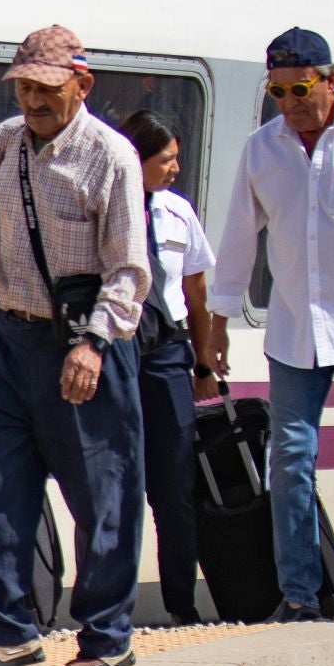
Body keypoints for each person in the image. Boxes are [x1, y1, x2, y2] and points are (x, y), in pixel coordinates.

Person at [0, 25, 149, 666]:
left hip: (84, 345)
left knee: (102, 495)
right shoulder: (7, 140)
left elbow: (128, 268)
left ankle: (106, 635)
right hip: (9, 339)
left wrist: (94, 343)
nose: (32, 100)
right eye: (24, 86)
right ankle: (6, 633)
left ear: (82, 85)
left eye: (46, 88)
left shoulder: (111, 156)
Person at [208, 26, 334, 623]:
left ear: (330, 81)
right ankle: (299, 596)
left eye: (301, 89)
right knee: (289, 460)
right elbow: (239, 235)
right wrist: (218, 320)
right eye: (277, 91)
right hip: (294, 331)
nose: (290, 103)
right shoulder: (263, 148)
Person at [119, 110, 221, 627]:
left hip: (166, 357)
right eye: (166, 159)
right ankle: (111, 608)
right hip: (116, 353)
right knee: (116, 487)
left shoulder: (178, 213)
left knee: (175, 486)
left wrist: (204, 361)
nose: (176, 168)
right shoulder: (106, 208)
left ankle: (182, 603)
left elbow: (195, 294)